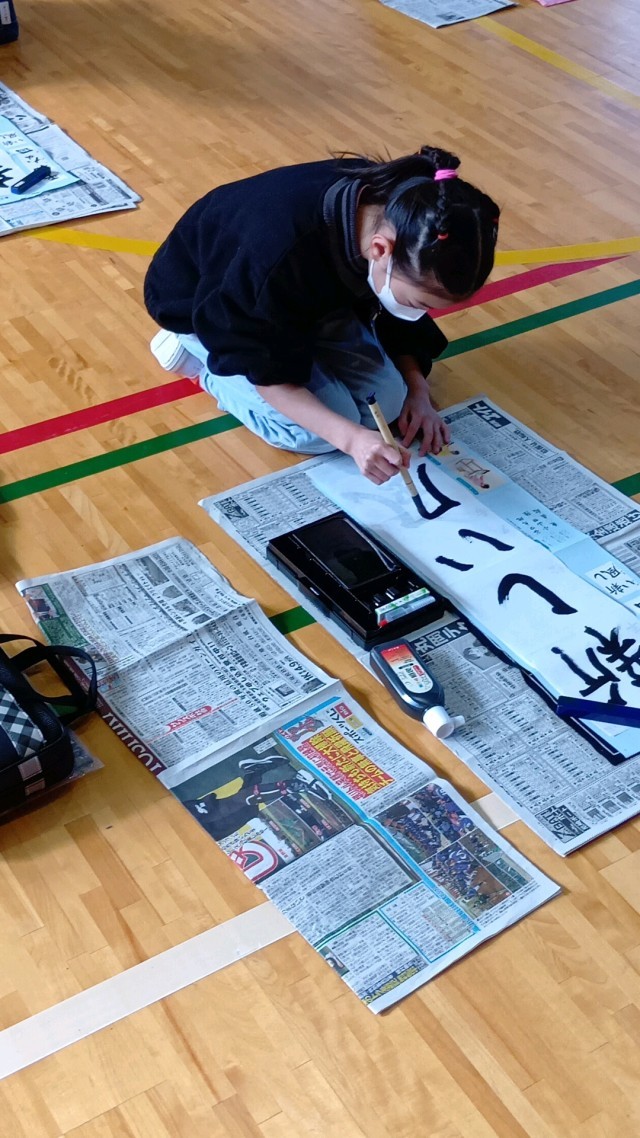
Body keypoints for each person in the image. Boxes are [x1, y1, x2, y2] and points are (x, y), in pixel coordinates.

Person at [144, 146, 499, 484]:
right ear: (380, 251)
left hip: (311, 304)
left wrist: (417, 391)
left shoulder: (405, 215)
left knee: (390, 402)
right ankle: (196, 363)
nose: (420, 312)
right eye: (418, 303)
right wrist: (352, 440)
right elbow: (268, 372)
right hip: (212, 308)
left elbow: (395, 315)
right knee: (312, 435)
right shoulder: (274, 259)